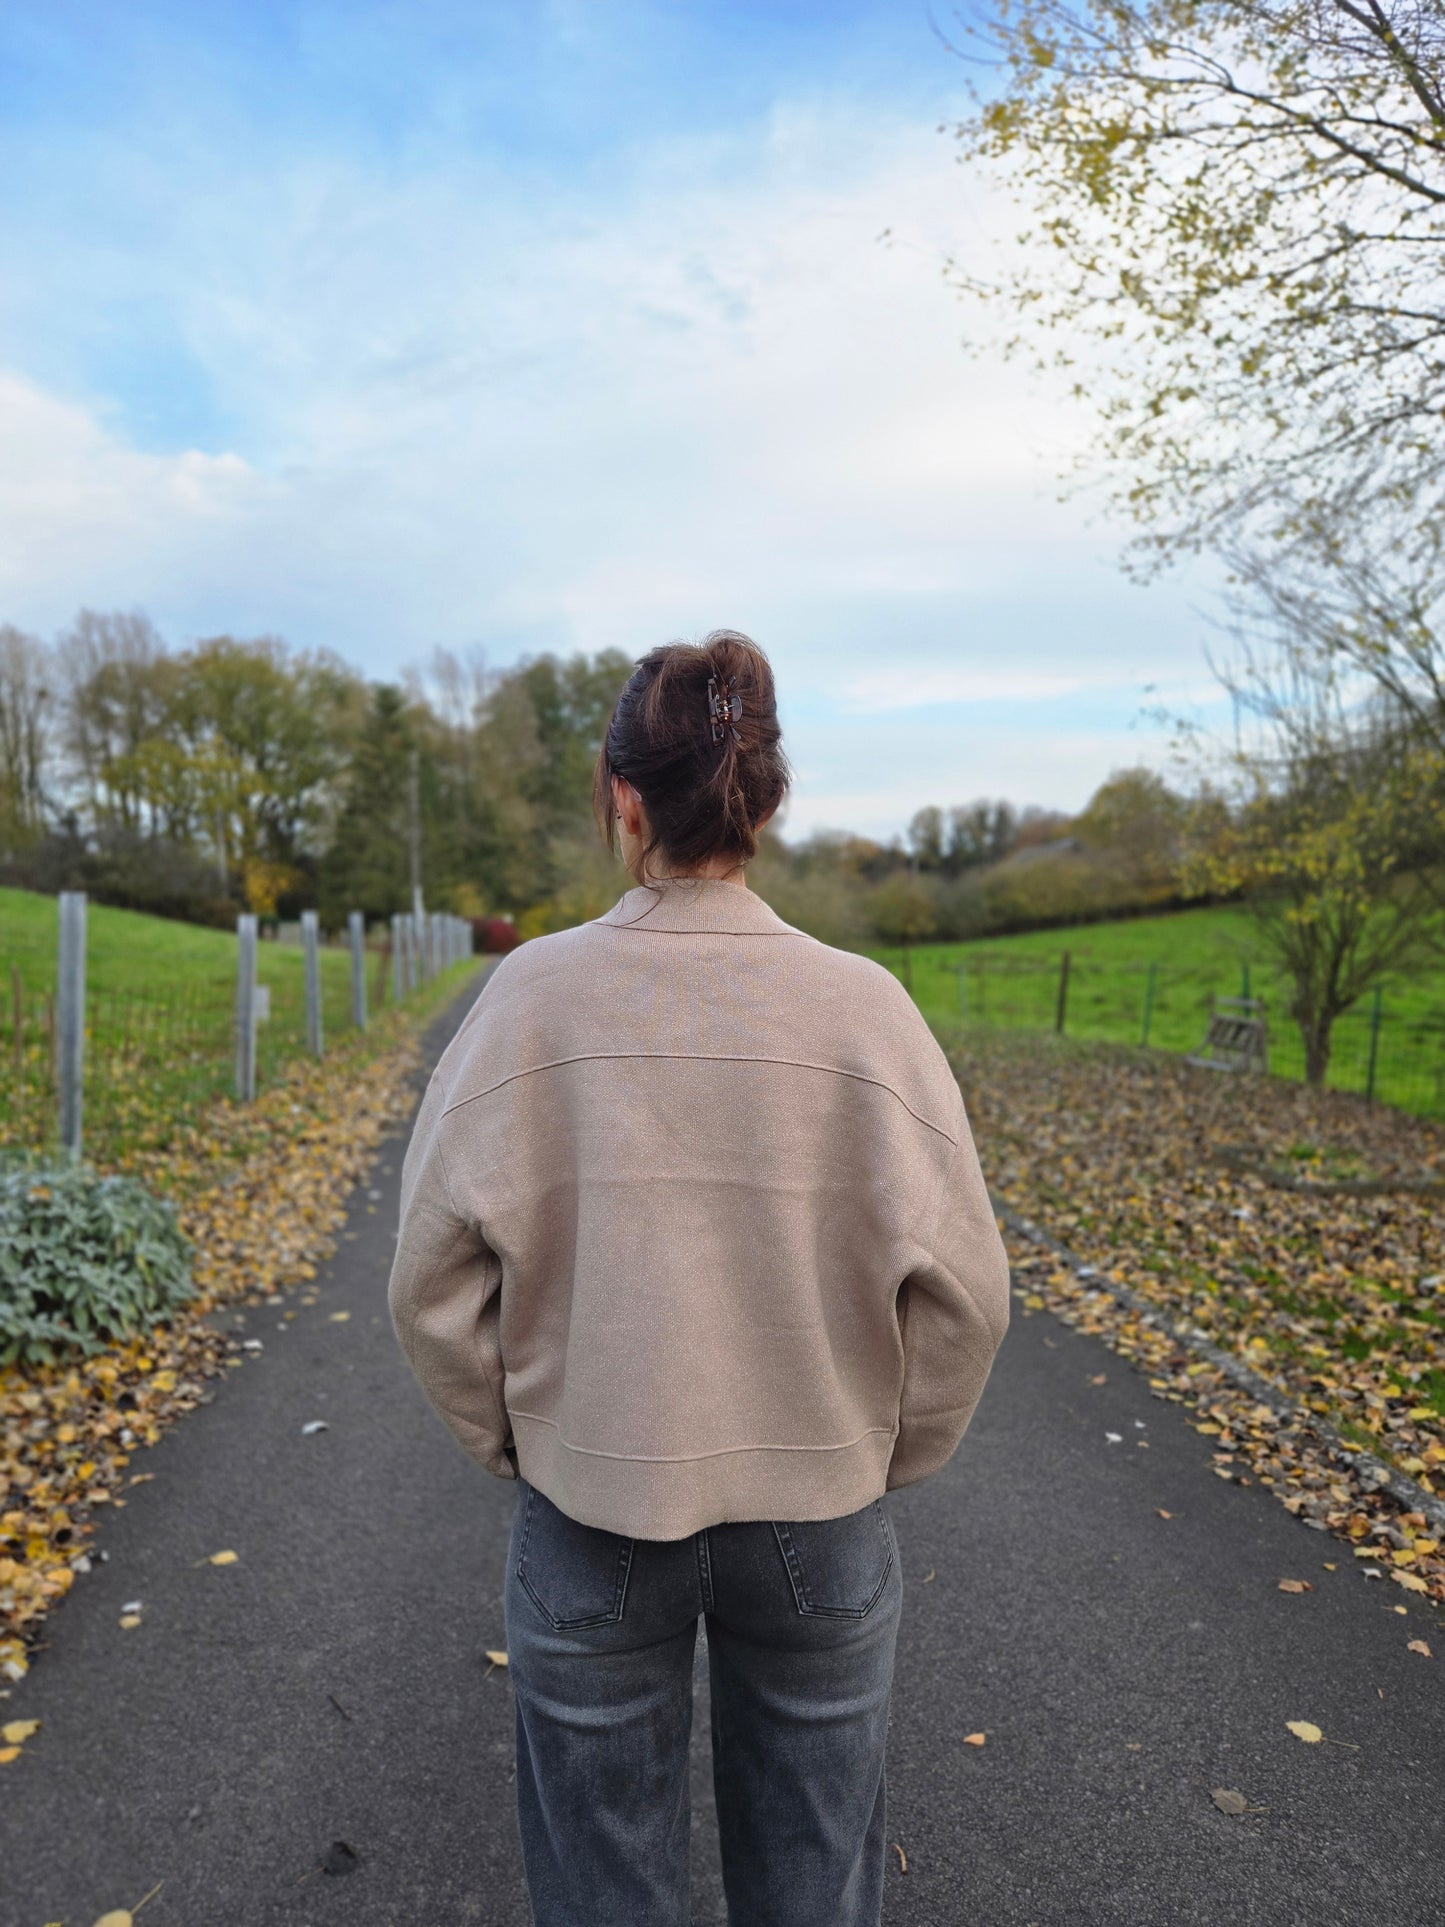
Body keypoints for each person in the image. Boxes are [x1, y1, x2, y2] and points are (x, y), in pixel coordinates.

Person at [388, 630, 1011, 1927]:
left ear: (622, 798)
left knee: (602, 1888)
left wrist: (518, 1439)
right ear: (767, 801)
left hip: (590, 1499)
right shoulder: (866, 1009)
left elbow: (430, 1283)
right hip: (819, 1510)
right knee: (815, 1882)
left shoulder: (528, 999)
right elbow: (965, 1295)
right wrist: (877, 1451)